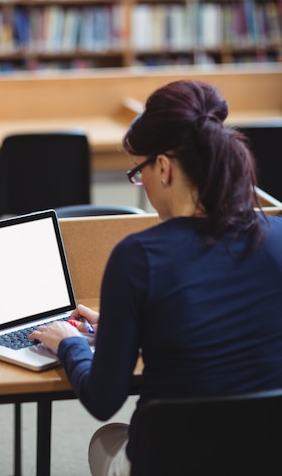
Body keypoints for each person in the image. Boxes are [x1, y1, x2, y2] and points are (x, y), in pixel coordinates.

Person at [29, 79, 282, 476]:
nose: (140, 182)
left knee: (106, 441)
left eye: (138, 171)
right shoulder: (278, 236)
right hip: (268, 458)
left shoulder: (138, 257)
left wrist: (71, 345)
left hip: (173, 463)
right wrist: (126, 329)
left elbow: (103, 399)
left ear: (163, 167)